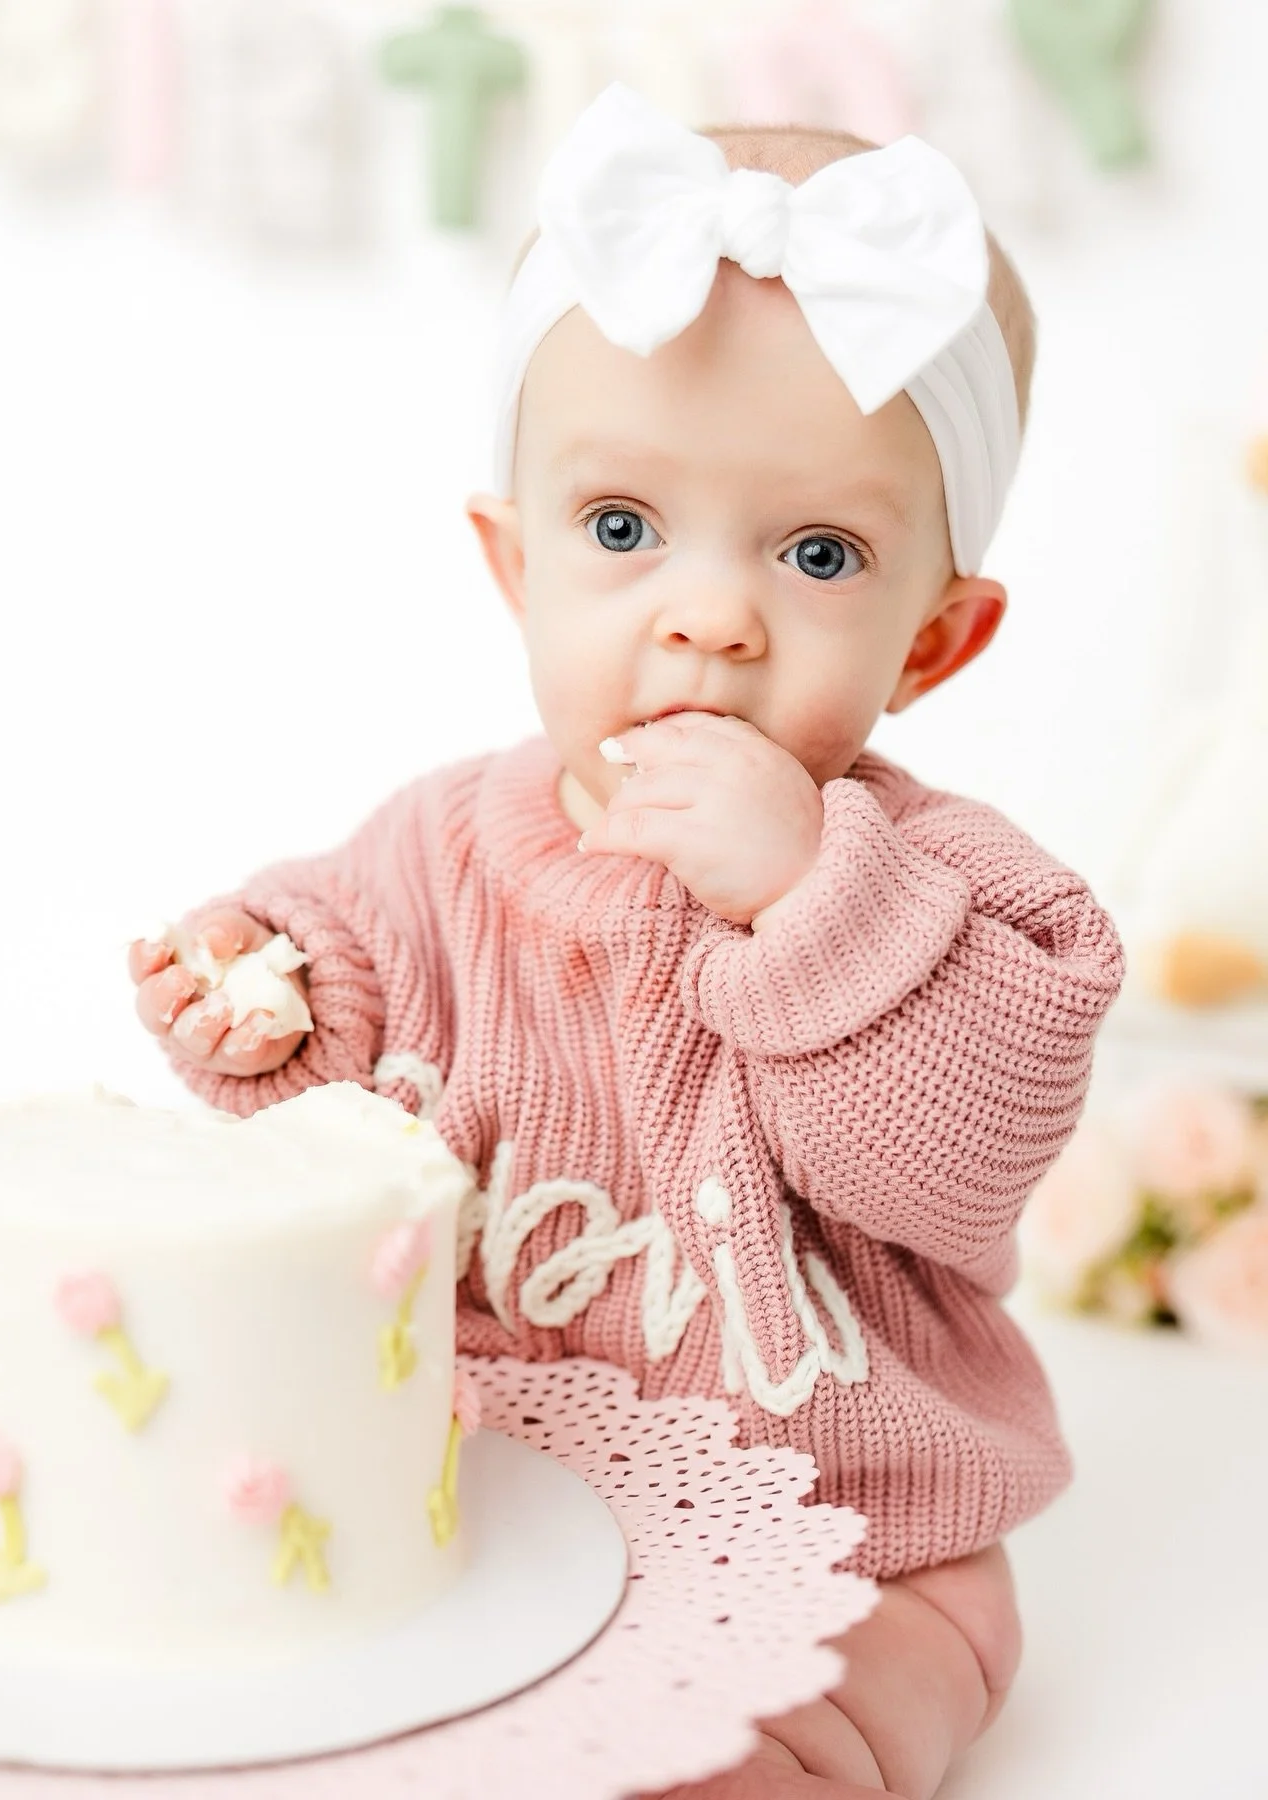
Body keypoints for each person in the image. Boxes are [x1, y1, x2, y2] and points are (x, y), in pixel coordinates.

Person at [129, 85, 1124, 1800]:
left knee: (860, 1681)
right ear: (516, 571)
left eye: (820, 554)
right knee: (287, 1645)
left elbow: (958, 1164)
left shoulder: (974, 903)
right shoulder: (440, 840)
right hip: (495, 1495)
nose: (708, 614)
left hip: (851, 1524)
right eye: (620, 531)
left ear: (936, 641)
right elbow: (353, 1037)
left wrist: (813, 897)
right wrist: (269, 994)